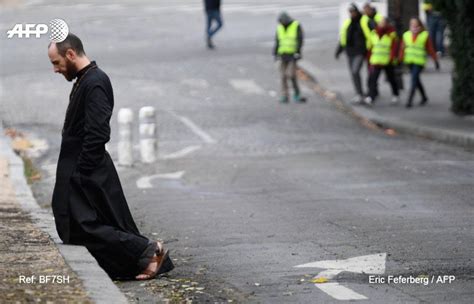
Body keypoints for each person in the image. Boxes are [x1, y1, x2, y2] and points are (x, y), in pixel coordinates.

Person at [47, 33, 174, 280]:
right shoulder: (85, 78)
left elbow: (98, 132)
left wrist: (81, 172)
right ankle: (139, 259)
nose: (55, 69)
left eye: (56, 62)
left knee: (86, 227)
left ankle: (151, 251)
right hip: (79, 166)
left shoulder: (94, 81)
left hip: (85, 167)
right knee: (78, 226)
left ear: (70, 54)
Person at [399, 18, 439, 108]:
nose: (413, 25)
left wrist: (435, 60)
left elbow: (430, 48)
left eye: (415, 23)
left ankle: (409, 100)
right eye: (412, 23)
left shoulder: (424, 35)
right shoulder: (406, 35)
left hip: (419, 62)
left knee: (413, 80)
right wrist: (400, 59)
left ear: (419, 24)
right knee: (416, 80)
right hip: (409, 61)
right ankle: (424, 97)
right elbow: (403, 48)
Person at [335, 3, 371, 104]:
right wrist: (339, 50)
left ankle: (364, 93)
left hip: (361, 51)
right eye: (350, 12)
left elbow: (372, 34)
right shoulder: (348, 23)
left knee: (355, 71)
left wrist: (370, 48)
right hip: (350, 52)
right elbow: (343, 37)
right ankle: (359, 93)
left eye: (353, 11)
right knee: (354, 74)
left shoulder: (364, 21)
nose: (352, 14)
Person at [364, 17, 400, 106]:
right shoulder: (374, 33)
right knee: (373, 79)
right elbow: (370, 47)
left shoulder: (391, 34)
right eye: (380, 23)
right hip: (376, 60)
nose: (381, 24)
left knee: (391, 79)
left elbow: (394, 47)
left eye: (383, 23)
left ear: (387, 24)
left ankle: (395, 94)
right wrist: (369, 59)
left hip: (387, 61)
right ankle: (371, 97)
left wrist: (392, 58)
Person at [273, 12, 305, 103]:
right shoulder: (279, 28)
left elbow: (300, 39)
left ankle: (297, 94)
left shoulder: (295, 25)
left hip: (292, 55)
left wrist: (298, 52)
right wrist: (275, 53)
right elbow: (277, 41)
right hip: (283, 54)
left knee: (291, 75)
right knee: (283, 76)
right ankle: (285, 95)